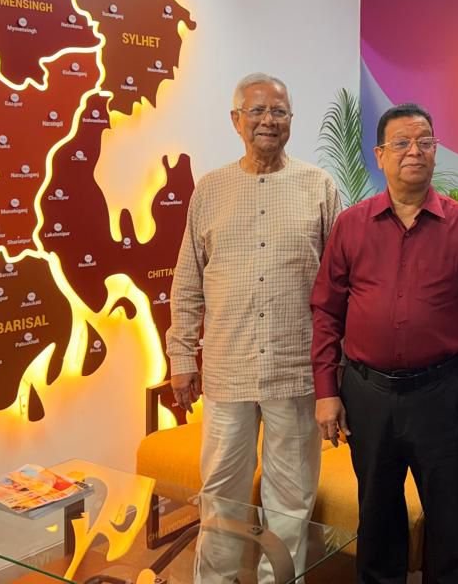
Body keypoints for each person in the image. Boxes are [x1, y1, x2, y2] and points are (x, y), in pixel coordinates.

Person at [310, 102, 458, 584]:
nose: (414, 151)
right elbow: (327, 311)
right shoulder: (351, 225)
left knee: (451, 522)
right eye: (401, 143)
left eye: (424, 142)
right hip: (367, 394)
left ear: (435, 151)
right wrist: (326, 390)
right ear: (380, 155)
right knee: (377, 521)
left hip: (442, 394)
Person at [165, 73, 341, 582]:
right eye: (258, 111)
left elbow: (342, 284)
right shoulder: (210, 190)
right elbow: (187, 283)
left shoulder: (319, 186)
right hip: (228, 372)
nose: (269, 121)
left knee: (291, 501)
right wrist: (181, 357)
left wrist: (337, 372)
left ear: (291, 120)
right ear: (236, 120)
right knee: (221, 494)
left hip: (296, 372)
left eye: (279, 112)